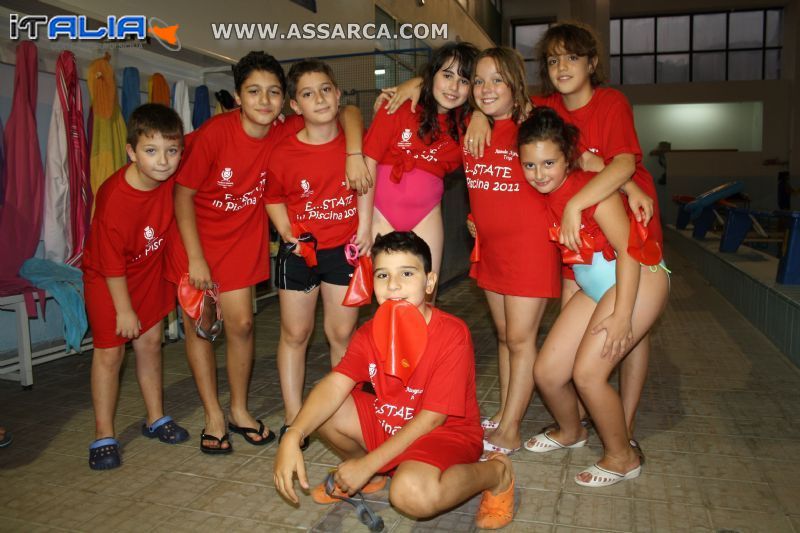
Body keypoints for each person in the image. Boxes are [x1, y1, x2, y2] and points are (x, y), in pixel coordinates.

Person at [169, 51, 368, 454]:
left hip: (242, 238)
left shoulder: (285, 129)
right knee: (202, 327)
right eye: (253, 92)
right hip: (197, 243)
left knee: (241, 326)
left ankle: (240, 411)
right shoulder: (213, 135)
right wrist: (195, 258)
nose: (264, 101)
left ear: (285, 101)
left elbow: (345, 111)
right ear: (238, 96)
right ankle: (213, 414)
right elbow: (181, 195)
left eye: (273, 92)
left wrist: (354, 151)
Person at [274, 231, 515, 530]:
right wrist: (293, 434)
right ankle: (375, 477)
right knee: (326, 405)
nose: (394, 285)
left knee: (410, 494)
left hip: (445, 434)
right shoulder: (370, 332)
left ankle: (496, 473)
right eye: (383, 275)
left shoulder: (452, 334)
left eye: (407, 273)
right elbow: (336, 384)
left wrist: (367, 463)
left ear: (429, 282)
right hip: (391, 425)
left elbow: (431, 419)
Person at [518, 107, 669, 486]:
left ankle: (622, 457)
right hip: (594, 287)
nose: (539, 174)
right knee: (547, 372)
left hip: (638, 278)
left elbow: (630, 253)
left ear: (568, 157)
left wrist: (621, 315)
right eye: (530, 165)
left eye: (549, 163)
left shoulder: (591, 193)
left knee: (588, 375)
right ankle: (572, 431)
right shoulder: (548, 196)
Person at [264, 59, 373, 449]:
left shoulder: (354, 146)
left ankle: (340, 410)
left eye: (326, 89)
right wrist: (287, 233)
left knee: (341, 334)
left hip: (342, 251)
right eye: (308, 94)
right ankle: (294, 418)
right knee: (295, 334)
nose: (319, 98)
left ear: (338, 93)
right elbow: (274, 197)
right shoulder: (283, 153)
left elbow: (365, 186)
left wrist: (363, 230)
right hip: (299, 254)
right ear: (295, 106)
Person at [464, 47, 560, 455]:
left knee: (521, 339)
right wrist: (476, 114)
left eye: (497, 80)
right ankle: (505, 412)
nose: (486, 89)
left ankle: (512, 429)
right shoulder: (474, 127)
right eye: (479, 81)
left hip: (530, 249)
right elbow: (432, 89)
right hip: (490, 249)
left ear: (516, 83)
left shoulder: (534, 123)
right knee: (505, 337)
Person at [82, 103, 189, 470]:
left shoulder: (171, 179)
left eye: (172, 150)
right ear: (132, 152)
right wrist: (124, 309)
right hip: (107, 280)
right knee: (110, 354)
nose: (163, 161)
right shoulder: (113, 197)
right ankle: (103, 433)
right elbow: (109, 262)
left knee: (150, 344)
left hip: (148, 272)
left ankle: (155, 416)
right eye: (151, 150)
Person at [362, 42, 478, 279]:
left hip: (426, 217)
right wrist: (363, 227)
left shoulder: (468, 127)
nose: (454, 87)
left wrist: (481, 117)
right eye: (446, 75)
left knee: (426, 292)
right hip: (380, 214)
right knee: (389, 295)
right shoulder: (398, 106)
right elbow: (368, 163)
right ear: (431, 75)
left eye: (464, 81)